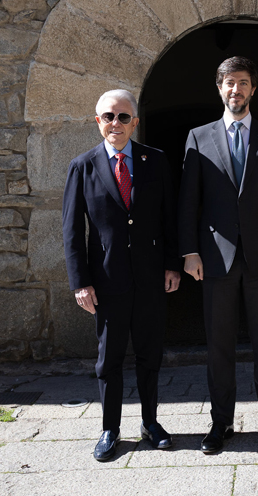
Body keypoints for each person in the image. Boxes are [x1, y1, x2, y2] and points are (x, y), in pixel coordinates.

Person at [178, 56, 258, 453]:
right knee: (219, 345)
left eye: (243, 83)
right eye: (229, 83)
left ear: (253, 89)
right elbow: (188, 201)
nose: (236, 90)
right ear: (219, 88)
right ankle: (220, 423)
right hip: (215, 258)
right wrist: (189, 252)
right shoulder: (199, 136)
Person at [62, 89, 181, 462]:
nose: (116, 124)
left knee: (149, 355)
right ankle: (110, 429)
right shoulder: (82, 166)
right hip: (107, 282)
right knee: (109, 360)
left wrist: (172, 264)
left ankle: (150, 423)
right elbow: (71, 231)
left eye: (123, 117)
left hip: (149, 278)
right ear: (98, 121)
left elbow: (170, 218)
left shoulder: (156, 161)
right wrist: (80, 282)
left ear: (135, 121)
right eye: (109, 117)